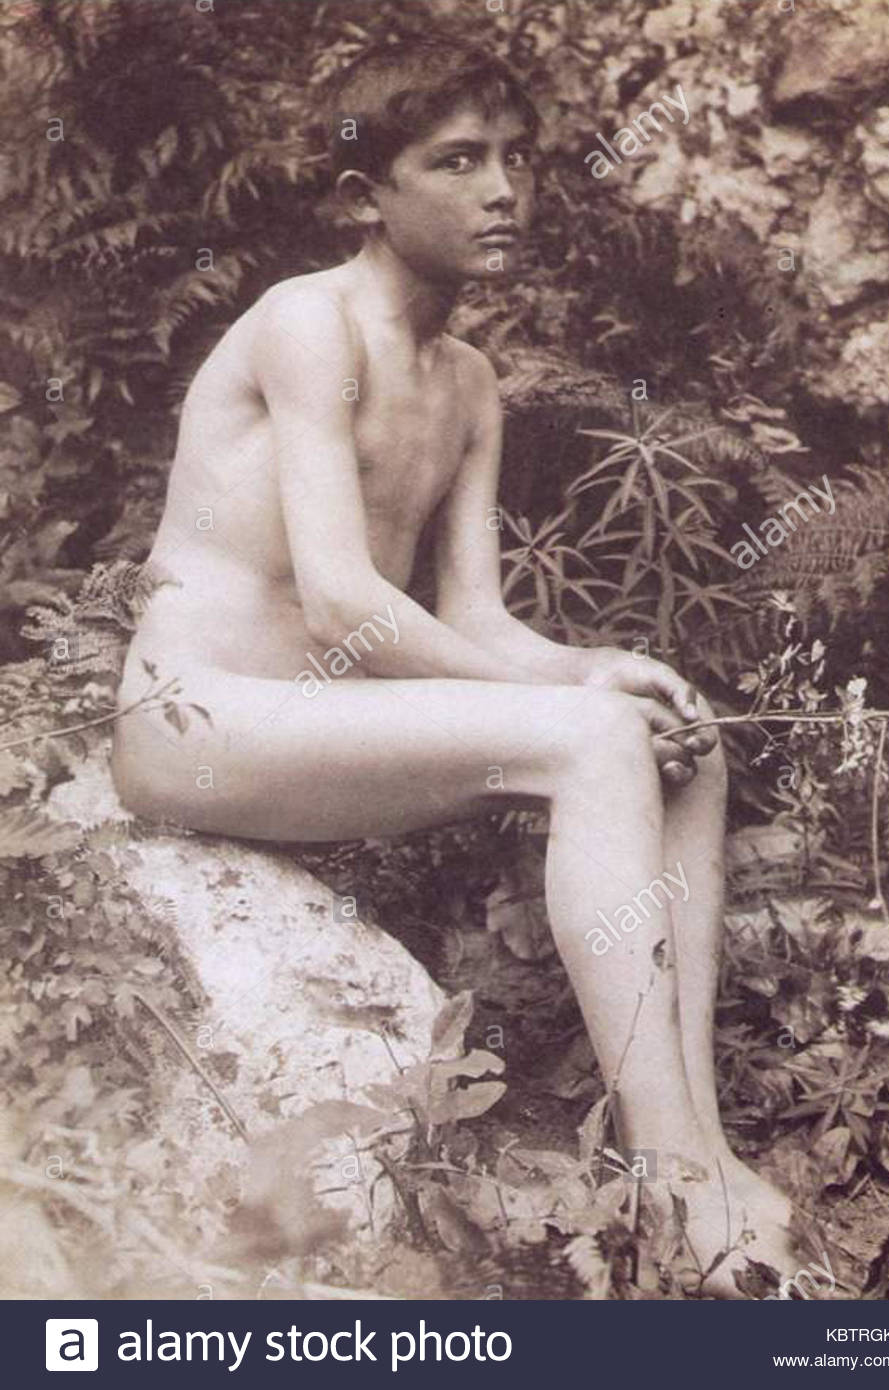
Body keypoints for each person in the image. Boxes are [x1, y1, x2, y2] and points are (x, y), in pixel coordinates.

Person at [111, 33, 797, 1296]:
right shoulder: (308, 324)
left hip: (315, 730)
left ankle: (699, 1142)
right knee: (592, 735)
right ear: (363, 194)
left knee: (672, 738)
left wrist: (601, 662)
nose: (504, 191)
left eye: (515, 161)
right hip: (199, 723)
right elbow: (340, 598)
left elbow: (477, 618)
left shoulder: (471, 381)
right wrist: (570, 701)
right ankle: (670, 1179)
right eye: (458, 162)